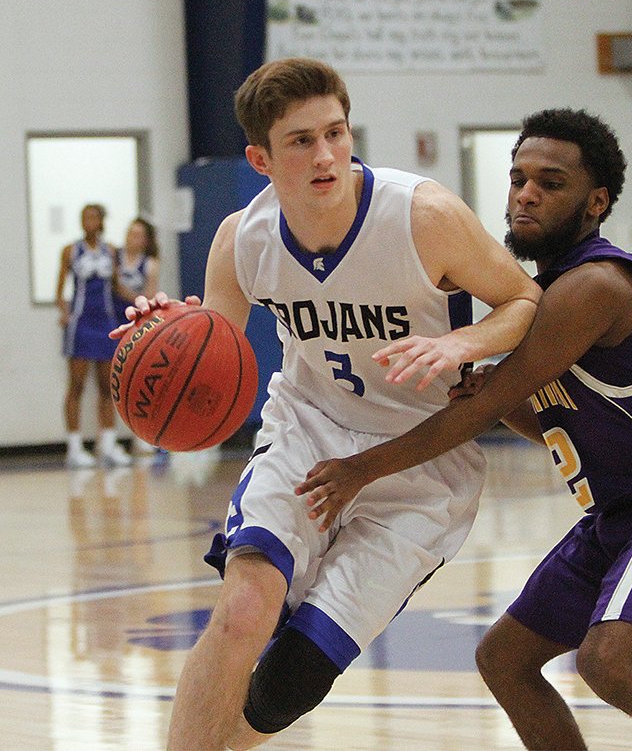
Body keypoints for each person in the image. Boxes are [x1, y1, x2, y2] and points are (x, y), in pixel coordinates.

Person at [296, 109, 632, 751]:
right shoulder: (535, 295)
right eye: (518, 178)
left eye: (551, 182)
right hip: (617, 515)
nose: (525, 193)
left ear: (595, 202)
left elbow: (483, 412)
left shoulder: (595, 285)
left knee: (607, 661)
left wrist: (363, 468)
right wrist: (488, 392)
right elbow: (544, 418)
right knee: (505, 660)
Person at [115, 57, 541, 751]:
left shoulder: (422, 215)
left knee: (293, 678)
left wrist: (463, 342)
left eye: (336, 133)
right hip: (309, 435)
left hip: (422, 464)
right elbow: (211, 353)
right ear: (260, 158)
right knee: (245, 608)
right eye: (301, 140)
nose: (326, 154)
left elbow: (525, 298)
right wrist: (164, 329)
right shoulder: (242, 239)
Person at [56, 203, 131, 469]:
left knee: (107, 386)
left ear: (100, 221)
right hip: (81, 323)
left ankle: (108, 445)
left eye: (93, 217)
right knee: (76, 385)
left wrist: (142, 299)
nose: (88, 221)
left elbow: (119, 287)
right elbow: (59, 291)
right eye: (84, 216)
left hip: (106, 322)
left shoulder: (111, 251)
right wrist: (64, 313)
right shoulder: (70, 251)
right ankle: (74, 448)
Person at [113, 216, 160, 324]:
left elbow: (150, 296)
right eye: (130, 233)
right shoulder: (114, 256)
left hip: (135, 315)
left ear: (146, 240)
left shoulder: (150, 263)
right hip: (112, 314)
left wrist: (124, 292)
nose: (131, 238)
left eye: (137, 236)